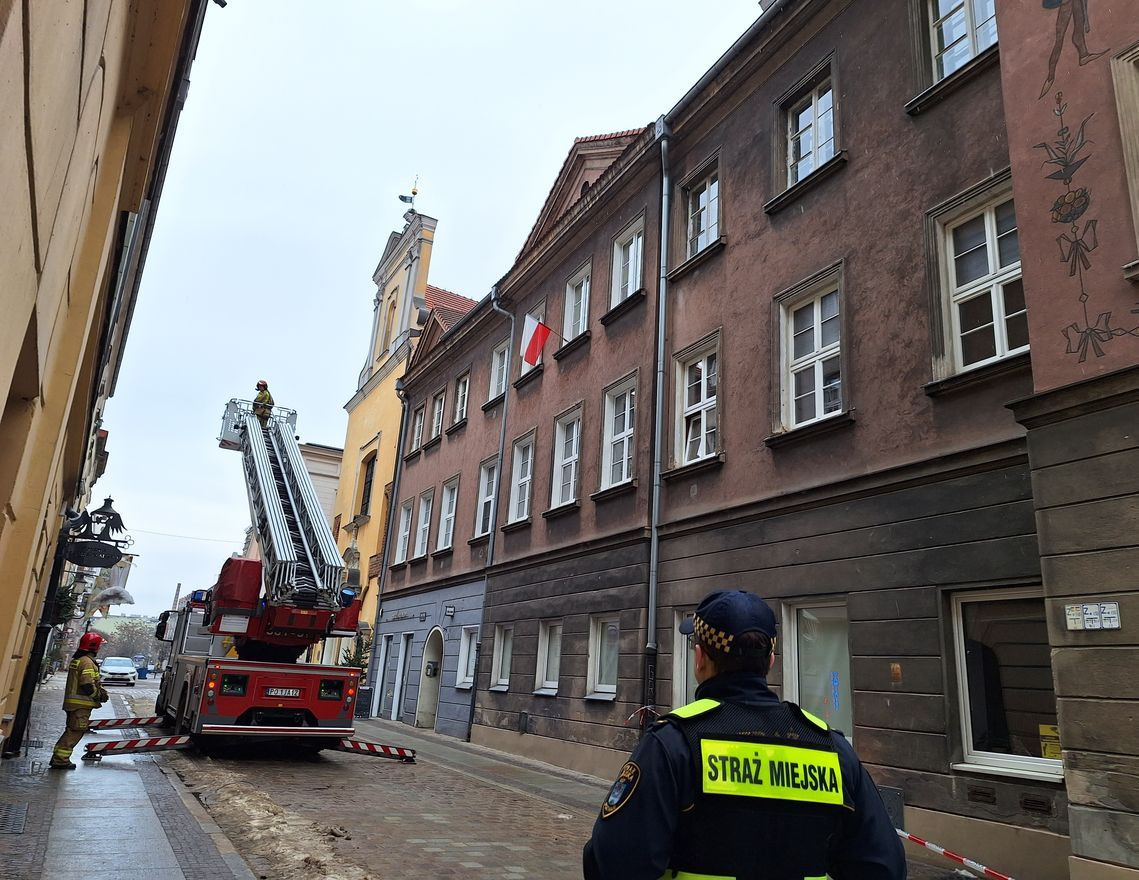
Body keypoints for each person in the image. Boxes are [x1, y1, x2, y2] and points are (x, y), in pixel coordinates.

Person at [583, 589, 906, 880]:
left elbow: (612, 863)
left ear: (700, 659)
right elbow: (885, 867)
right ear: (771, 660)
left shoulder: (672, 744)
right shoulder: (832, 749)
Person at [50, 631, 109, 769]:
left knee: (71, 730)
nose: (100, 648)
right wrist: (99, 695)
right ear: (94, 647)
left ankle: (58, 758)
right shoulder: (87, 662)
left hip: (74, 705)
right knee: (74, 732)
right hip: (80, 706)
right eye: (99, 645)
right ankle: (61, 760)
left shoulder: (80, 660)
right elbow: (87, 684)